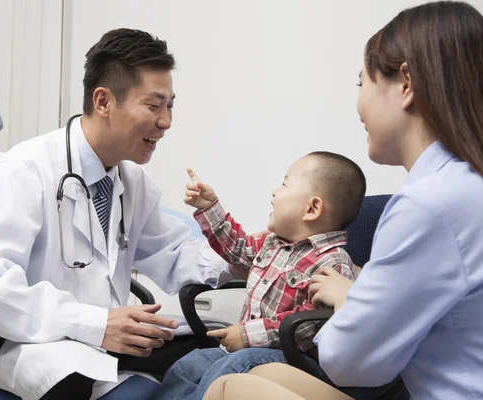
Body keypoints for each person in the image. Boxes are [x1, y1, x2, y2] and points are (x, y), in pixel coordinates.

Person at [203, 1, 483, 399]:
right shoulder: (464, 185)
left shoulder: (427, 204)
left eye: (361, 83)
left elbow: (350, 363)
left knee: (229, 389)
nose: (358, 104)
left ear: (406, 85)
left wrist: (350, 298)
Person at [0, 28, 236, 400]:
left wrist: (242, 258)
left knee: (209, 352)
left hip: (97, 338)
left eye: (170, 106)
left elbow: (176, 255)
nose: (166, 121)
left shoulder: (133, 182)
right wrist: (93, 322)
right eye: (154, 105)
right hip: (14, 339)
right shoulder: (25, 171)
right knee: (75, 378)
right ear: (103, 101)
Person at [153, 151, 367, 400]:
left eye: (285, 184)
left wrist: (247, 335)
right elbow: (237, 248)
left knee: (234, 367)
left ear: (312, 208)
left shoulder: (333, 262)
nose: (275, 192)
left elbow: (310, 325)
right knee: (189, 365)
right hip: (248, 348)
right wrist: (209, 207)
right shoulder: (272, 243)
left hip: (298, 361)